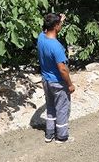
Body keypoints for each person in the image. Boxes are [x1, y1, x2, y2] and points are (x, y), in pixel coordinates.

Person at [37, 13, 75, 143]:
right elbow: (63, 69)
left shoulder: (41, 37)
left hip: (46, 81)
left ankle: (49, 134)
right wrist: (70, 84)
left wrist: (59, 19)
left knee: (51, 108)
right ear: (56, 26)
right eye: (60, 24)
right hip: (58, 82)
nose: (61, 26)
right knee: (62, 109)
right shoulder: (56, 46)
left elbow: (46, 29)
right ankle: (62, 137)